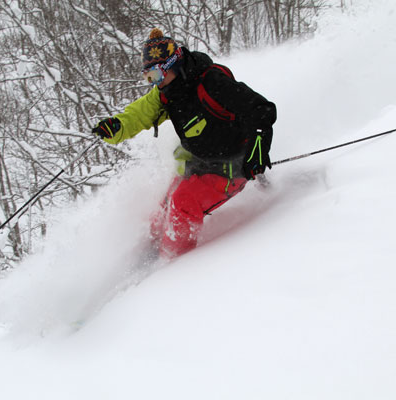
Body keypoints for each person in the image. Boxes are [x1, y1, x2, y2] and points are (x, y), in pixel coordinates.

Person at [92, 28, 277, 260]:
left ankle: (173, 263)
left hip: (233, 166)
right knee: (163, 209)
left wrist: (258, 148)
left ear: (173, 64)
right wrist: (117, 126)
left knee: (182, 203)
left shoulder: (211, 83)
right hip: (199, 164)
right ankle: (147, 255)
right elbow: (140, 113)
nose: (155, 83)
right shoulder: (167, 93)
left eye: (156, 75)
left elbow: (261, 109)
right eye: (149, 77)